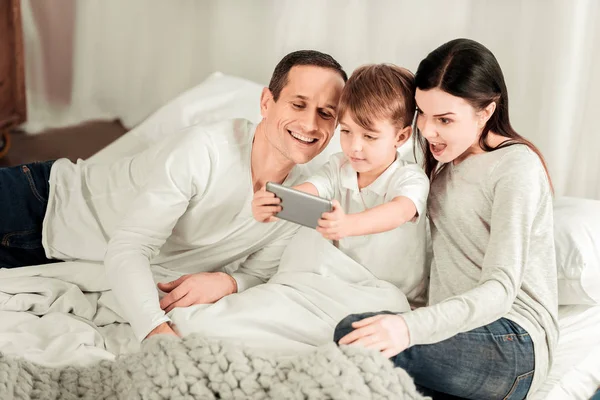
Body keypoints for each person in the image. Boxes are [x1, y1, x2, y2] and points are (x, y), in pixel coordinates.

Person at [0, 50, 347, 342]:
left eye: (326, 113)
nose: (311, 123)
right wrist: (155, 330)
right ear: (266, 103)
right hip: (42, 202)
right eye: (298, 104)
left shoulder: (300, 198)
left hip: (58, 264)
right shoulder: (203, 149)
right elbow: (130, 247)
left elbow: (260, 271)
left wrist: (228, 280)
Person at [334, 38, 559, 400]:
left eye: (445, 119)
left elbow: (500, 290)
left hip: (514, 342)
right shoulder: (443, 163)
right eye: (422, 112)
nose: (427, 130)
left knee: (353, 334)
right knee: (359, 344)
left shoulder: (516, 167)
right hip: (455, 334)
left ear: (485, 111)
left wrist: (409, 329)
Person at [252, 64, 430, 297]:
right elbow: (313, 188)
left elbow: (398, 212)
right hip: (343, 281)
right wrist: (276, 202)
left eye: (369, 136)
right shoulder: (339, 166)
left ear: (401, 137)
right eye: (346, 131)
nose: (354, 147)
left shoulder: (410, 177)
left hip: (394, 290)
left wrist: (348, 225)